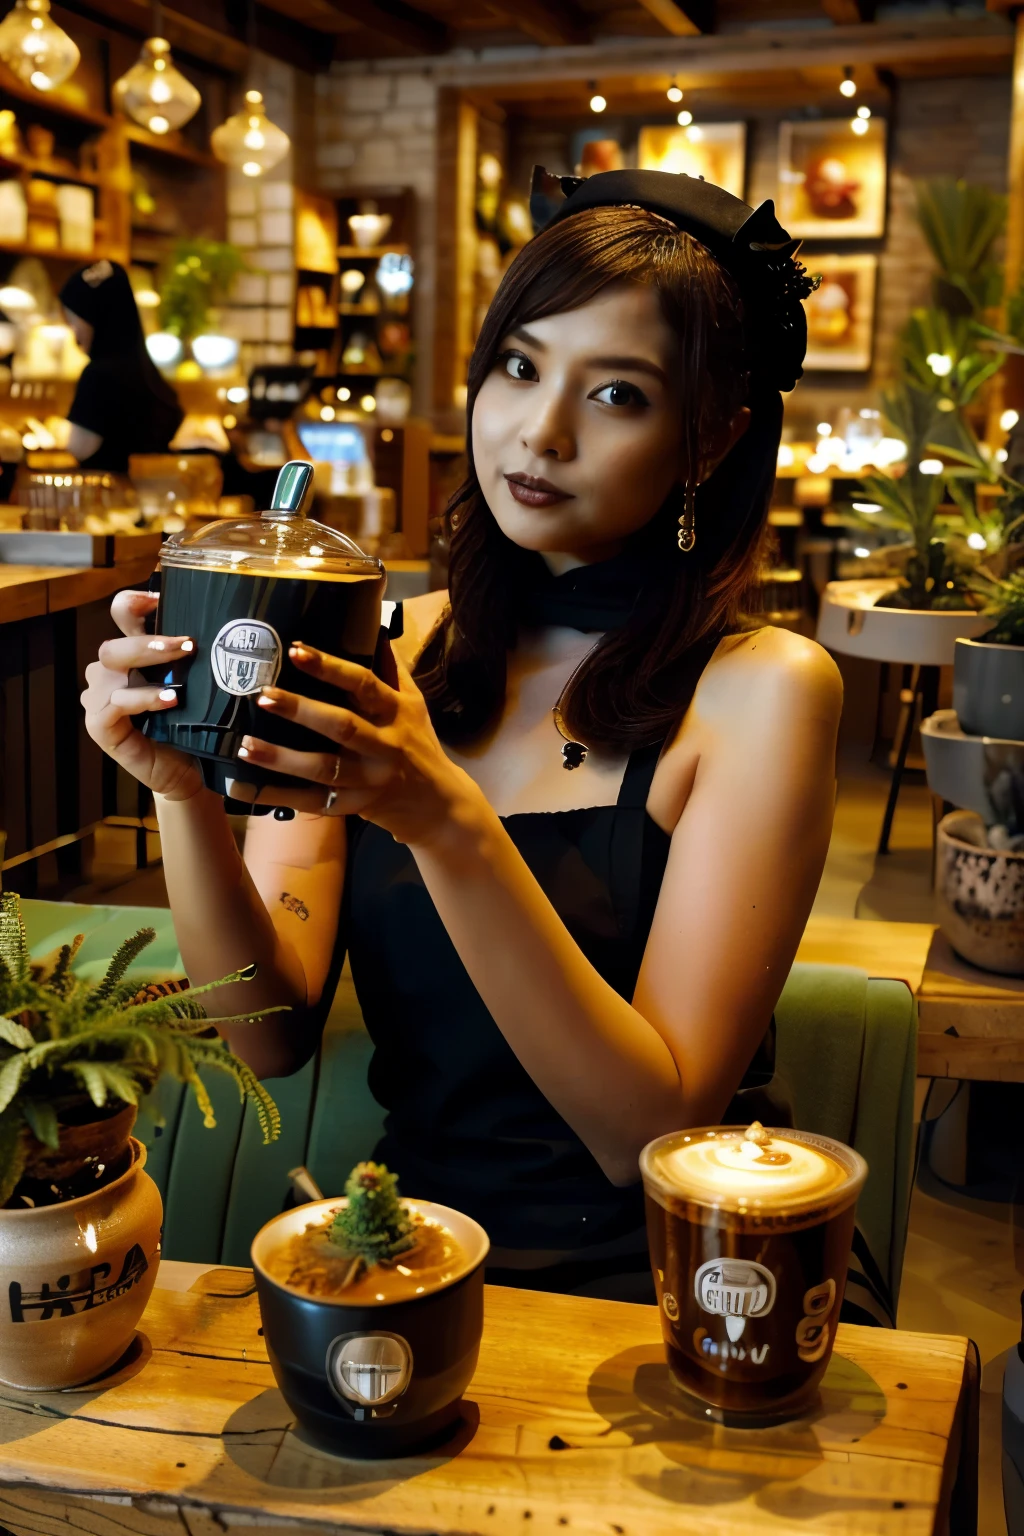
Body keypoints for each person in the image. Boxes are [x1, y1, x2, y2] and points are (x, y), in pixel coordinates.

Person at [81, 169, 842, 1301]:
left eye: (618, 395)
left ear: (713, 437)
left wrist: (439, 815)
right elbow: (265, 1032)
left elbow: (655, 1131)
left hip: (676, 1284)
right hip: (410, 1256)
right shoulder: (388, 648)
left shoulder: (761, 691)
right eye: (520, 366)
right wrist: (183, 791)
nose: (539, 431)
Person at [59, 258, 183, 473]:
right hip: (154, 500)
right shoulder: (145, 373)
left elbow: (78, 448)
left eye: (74, 320)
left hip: (106, 501)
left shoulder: (98, 377)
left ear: (96, 315)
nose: (74, 332)